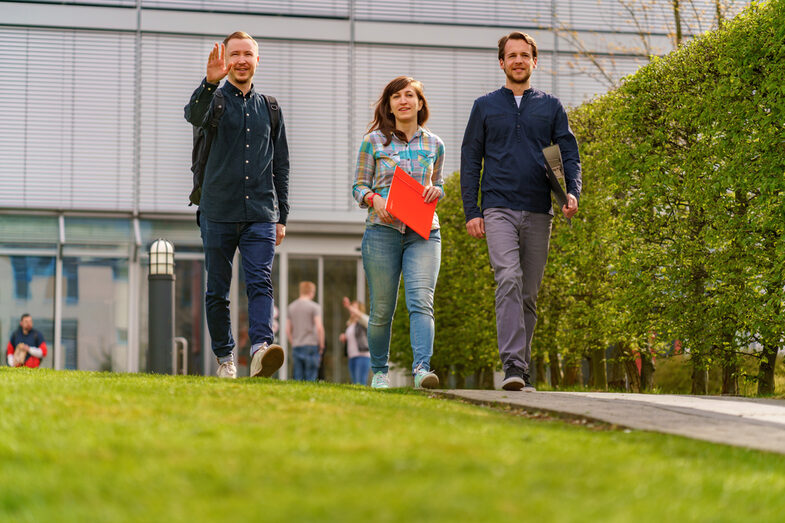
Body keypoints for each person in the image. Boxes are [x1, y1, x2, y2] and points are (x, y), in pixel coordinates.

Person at [460, 31, 582, 392]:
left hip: (538, 211)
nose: (517, 60)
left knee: (528, 293)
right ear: (501, 62)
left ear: (534, 61)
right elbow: (470, 160)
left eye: (524, 55)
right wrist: (472, 210)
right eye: (511, 55)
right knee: (508, 278)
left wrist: (572, 193)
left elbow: (569, 154)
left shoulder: (551, 107)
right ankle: (513, 365)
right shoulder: (484, 106)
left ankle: (521, 370)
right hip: (497, 208)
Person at [184, 31, 289, 379]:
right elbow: (192, 115)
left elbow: (281, 165)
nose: (242, 60)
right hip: (217, 210)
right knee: (217, 289)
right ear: (227, 60)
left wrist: (282, 216)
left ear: (257, 60)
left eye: (248, 54)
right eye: (235, 54)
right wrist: (208, 84)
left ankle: (260, 349)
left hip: (261, 212)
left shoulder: (270, 108)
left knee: (260, 281)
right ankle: (225, 357)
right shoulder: (213, 100)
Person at [352, 76, 444, 390]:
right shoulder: (373, 142)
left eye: (409, 95)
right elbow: (358, 185)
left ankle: (422, 370)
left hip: (423, 232)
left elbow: (438, 183)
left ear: (420, 103)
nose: (403, 101)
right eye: (396, 97)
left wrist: (437, 192)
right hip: (382, 232)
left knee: (421, 301)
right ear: (389, 105)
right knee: (381, 308)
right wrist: (373, 199)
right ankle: (380, 372)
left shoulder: (434, 144)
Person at [287, 281, 325, 382]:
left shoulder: (291, 307)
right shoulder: (315, 307)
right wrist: (321, 346)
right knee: (311, 377)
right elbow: (319, 327)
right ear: (311, 292)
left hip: (297, 345)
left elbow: (287, 330)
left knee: (298, 376)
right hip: (311, 345)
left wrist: (293, 342)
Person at [340, 297, 371, 385]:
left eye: (354, 307)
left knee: (360, 382)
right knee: (354, 383)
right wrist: (344, 337)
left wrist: (348, 306)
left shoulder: (364, 321)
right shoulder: (350, 324)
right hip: (352, 356)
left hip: (362, 356)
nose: (351, 310)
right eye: (351, 308)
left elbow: (362, 317)